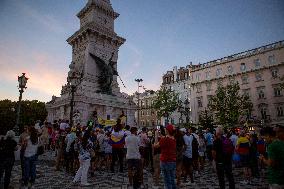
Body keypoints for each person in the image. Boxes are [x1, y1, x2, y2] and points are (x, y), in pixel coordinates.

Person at [154, 124, 177, 189]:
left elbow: (155, 146)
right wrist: (161, 135)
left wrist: (156, 136)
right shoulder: (173, 139)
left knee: (167, 181)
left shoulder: (165, 140)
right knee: (172, 179)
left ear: (167, 130)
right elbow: (165, 139)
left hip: (165, 161)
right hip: (172, 160)